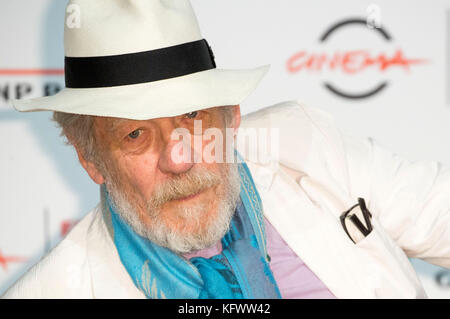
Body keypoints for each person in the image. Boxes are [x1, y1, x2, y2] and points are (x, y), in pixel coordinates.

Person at [2, 0, 449, 299]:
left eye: (193, 117)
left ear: (231, 116)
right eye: (135, 135)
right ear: (90, 160)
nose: (178, 159)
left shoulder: (305, 145)